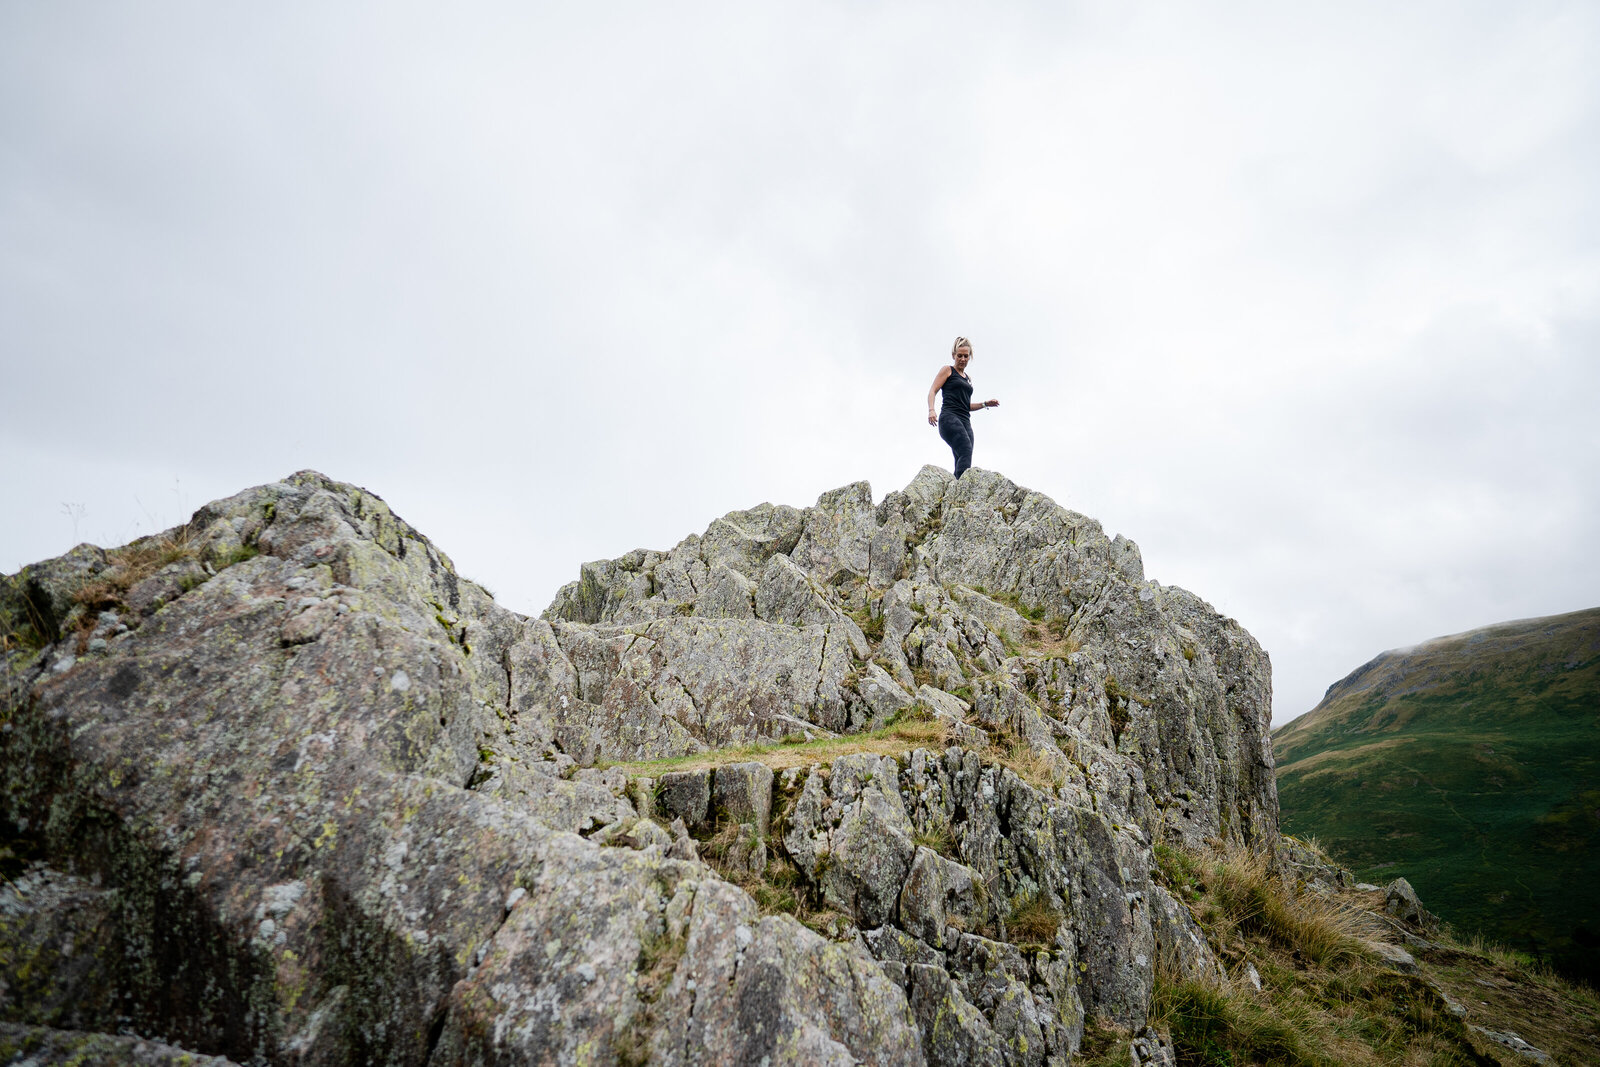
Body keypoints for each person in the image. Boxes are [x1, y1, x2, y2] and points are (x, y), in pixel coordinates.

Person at [926, 336, 998, 479]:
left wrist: (985, 404)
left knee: (965, 455)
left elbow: (965, 406)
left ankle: (955, 486)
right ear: (954, 355)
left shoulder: (967, 378)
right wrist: (931, 410)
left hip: (965, 421)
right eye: (960, 356)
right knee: (965, 448)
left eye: (966, 356)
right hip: (949, 418)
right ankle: (960, 491)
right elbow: (933, 390)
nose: (963, 359)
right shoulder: (948, 370)